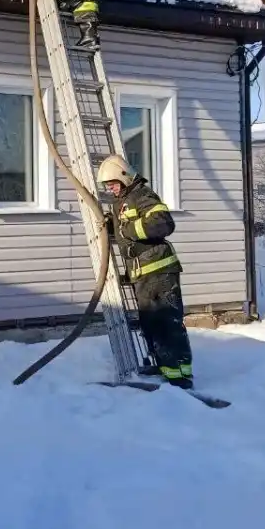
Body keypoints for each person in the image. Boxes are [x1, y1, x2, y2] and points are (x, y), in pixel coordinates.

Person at [96, 154, 194, 388]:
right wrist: (113, 226)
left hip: (159, 272)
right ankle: (165, 367)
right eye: (107, 186)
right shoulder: (122, 201)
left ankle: (180, 376)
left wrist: (128, 229)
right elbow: (126, 227)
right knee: (151, 324)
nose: (111, 188)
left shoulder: (142, 195)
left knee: (166, 322)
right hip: (143, 275)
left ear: (124, 177)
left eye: (113, 183)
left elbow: (163, 223)